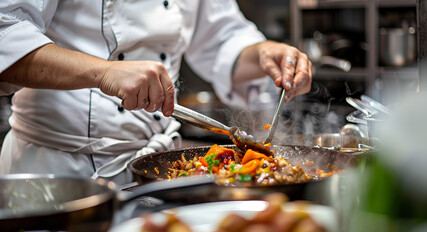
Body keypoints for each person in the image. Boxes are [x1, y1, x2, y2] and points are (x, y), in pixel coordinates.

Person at [0, 1, 312, 184]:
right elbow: (6, 33)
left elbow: (221, 38)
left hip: (156, 167)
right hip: (58, 170)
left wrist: (263, 52)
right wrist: (103, 71)